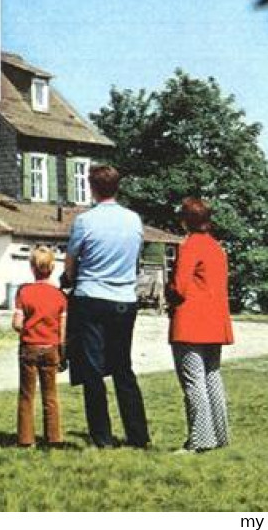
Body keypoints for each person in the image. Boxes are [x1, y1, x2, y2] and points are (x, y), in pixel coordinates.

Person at [64, 164, 150, 449]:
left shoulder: (85, 221)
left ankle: (102, 436)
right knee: (123, 368)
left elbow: (72, 261)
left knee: (92, 370)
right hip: (124, 299)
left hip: (91, 297)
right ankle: (138, 435)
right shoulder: (133, 220)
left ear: (92, 188)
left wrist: (68, 279)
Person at [166, 197, 233, 454]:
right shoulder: (217, 247)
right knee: (212, 377)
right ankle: (219, 436)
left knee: (194, 383)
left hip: (191, 323)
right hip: (215, 323)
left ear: (186, 221)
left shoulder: (190, 246)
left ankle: (199, 440)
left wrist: (169, 293)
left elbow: (180, 287)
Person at [13, 244, 68, 448]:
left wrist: (26, 329)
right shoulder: (60, 296)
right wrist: (63, 352)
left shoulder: (24, 293)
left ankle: (26, 438)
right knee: (50, 394)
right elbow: (63, 330)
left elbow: (17, 323)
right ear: (53, 268)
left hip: (29, 347)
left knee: (27, 394)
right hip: (51, 348)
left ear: (31, 268)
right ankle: (54, 438)